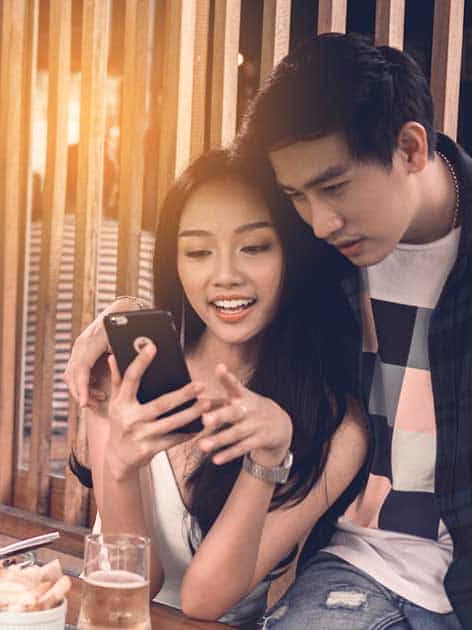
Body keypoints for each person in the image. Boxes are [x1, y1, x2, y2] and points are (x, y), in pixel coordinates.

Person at [235, 33, 470, 629]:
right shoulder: (314, 251)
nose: (319, 222)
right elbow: (212, 281)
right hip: (360, 567)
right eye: (297, 195)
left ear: (411, 149)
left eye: (335, 187)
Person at [75, 149, 367, 625]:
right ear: (176, 263)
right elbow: (134, 584)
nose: (225, 276)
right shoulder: (123, 372)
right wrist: (122, 469)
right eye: (197, 252)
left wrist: (267, 460)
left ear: (292, 253)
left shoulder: (337, 426)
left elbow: (204, 601)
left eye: (254, 247)